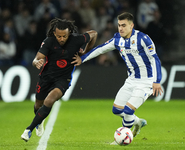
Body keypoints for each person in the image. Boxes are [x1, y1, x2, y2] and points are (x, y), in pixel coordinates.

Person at [72, 12, 163, 145]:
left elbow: (155, 59)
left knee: (127, 111)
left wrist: (157, 81)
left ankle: (123, 138)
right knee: (117, 110)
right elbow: (101, 49)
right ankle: (138, 122)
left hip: (146, 82)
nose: (120, 28)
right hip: (131, 80)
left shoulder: (143, 39)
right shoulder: (117, 39)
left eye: (124, 25)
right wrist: (83, 59)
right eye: (119, 25)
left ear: (131, 26)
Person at [21, 18, 97, 142]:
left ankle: (28, 129)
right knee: (38, 105)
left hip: (63, 79)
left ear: (69, 33)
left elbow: (94, 34)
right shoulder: (49, 42)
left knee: (49, 100)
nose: (61, 39)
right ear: (54, 34)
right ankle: (39, 122)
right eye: (59, 36)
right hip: (46, 78)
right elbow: (36, 59)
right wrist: (37, 62)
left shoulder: (77, 40)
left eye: (64, 36)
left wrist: (84, 55)